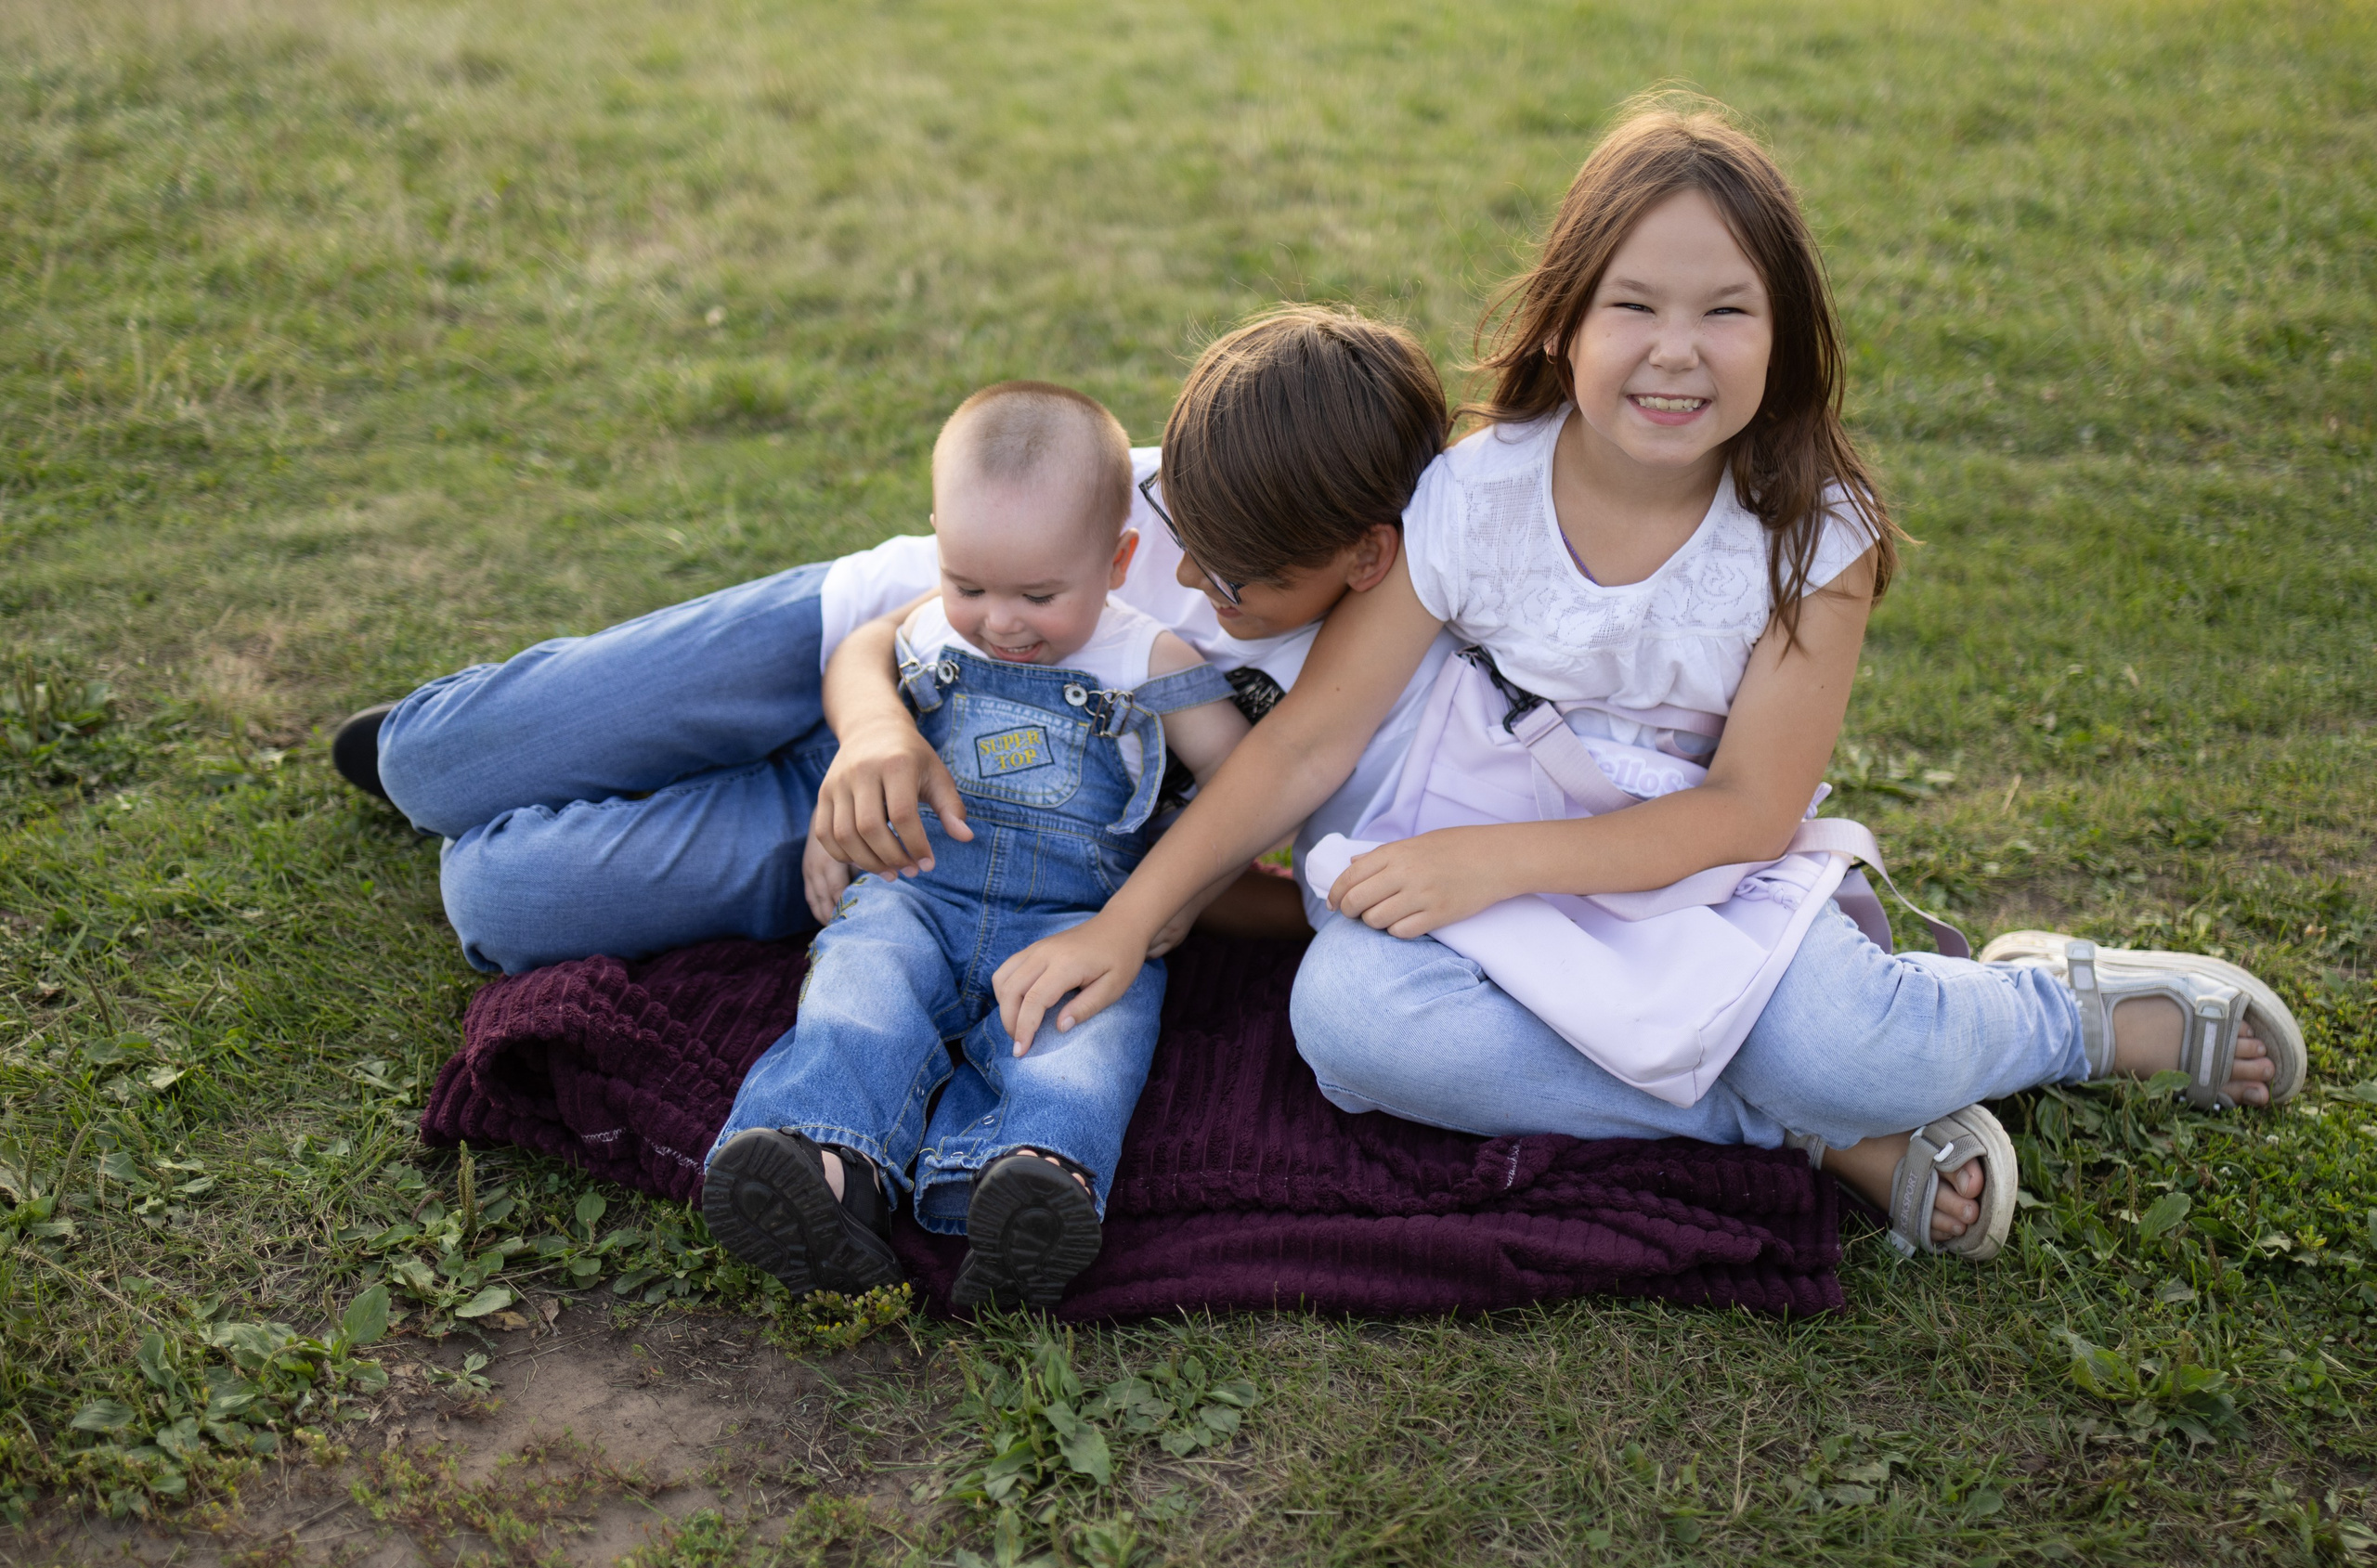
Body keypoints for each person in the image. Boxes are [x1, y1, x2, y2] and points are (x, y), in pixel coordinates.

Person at [979, 97, 2306, 1263]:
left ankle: (2063, 1011)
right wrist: (1130, 918)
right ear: (1565, 323)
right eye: (1636, 307)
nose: (1677, 351)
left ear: (1784, 336)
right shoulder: (1475, 496)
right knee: (1353, 1026)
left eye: (1726, 310)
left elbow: (1745, 811)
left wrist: (1497, 863)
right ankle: (1786, 1123)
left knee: (1847, 1049)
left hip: (1689, 871)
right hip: (1481, 868)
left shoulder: (1810, 535)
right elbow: (1303, 749)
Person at [352, 306, 1450, 980]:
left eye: (1242, 578)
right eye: (1181, 537)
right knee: (426, 763)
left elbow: (1278, 875)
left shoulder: (1375, 692)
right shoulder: (1201, 481)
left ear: (1366, 558)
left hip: (944, 817)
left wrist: (1156, 911)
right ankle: (507, 744)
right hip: (857, 644)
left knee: (502, 899)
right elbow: (887, 627)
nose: (1197, 582)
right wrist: (871, 726)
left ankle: (680, 789)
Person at [700, 382, 1251, 1310]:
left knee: (1083, 1038)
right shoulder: (925, 633)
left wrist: (1167, 904)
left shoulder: (1146, 661)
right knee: (859, 987)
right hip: (920, 889)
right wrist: (845, 826)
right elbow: (873, 713)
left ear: (1117, 561)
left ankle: (1028, 1181)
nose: (1001, 620)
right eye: (969, 586)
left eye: (1040, 594)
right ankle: (824, 1164)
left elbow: (1247, 784)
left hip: (1079, 917)